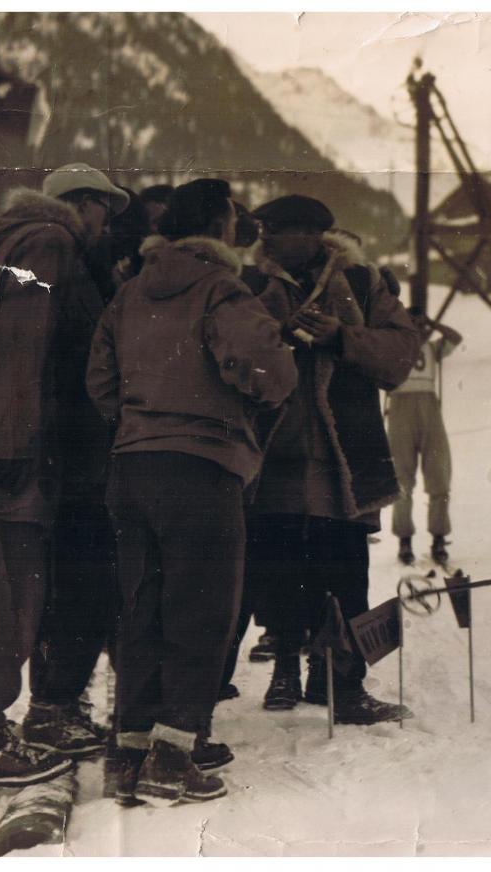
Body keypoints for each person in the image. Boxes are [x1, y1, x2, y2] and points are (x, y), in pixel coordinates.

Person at [87, 178, 298, 804]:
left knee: (141, 607)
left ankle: (129, 751)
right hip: (202, 468)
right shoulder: (220, 290)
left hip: (130, 467)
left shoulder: (128, 293)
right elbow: (272, 373)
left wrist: (140, 422)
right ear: (218, 226)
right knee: (201, 610)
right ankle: (174, 755)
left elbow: (100, 381)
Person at [0, 163, 129, 791]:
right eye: (103, 211)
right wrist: (13, 446)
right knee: (13, 597)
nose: (105, 226)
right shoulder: (50, 242)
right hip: (22, 460)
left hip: (10, 451)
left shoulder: (10, 242)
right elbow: (19, 344)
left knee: (2, 594)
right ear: (82, 204)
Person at [240, 194, 421, 721]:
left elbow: (402, 352)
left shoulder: (364, 285)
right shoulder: (252, 287)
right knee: (278, 569)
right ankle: (285, 673)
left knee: (345, 573)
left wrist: (341, 336)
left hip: (345, 458)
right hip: (275, 457)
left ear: (310, 235)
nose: (263, 240)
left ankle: (339, 684)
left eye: (273, 230)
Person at [388, 309, 463, 566]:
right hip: (400, 409)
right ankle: (404, 540)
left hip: (429, 410)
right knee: (401, 481)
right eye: (413, 324)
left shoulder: (433, 348)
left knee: (439, 476)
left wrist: (433, 323)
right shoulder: (394, 347)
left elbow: (456, 336)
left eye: (421, 326)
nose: (418, 330)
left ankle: (439, 538)